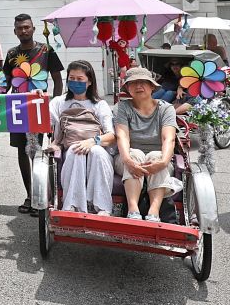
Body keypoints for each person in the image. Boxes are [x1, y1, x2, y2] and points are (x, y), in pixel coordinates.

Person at [1, 13, 63, 215]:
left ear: (33, 29)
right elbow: (5, 83)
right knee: (22, 151)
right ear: (15, 31)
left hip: (39, 107)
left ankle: (40, 197)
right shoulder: (11, 54)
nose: (23, 31)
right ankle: (30, 195)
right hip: (17, 108)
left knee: (36, 151)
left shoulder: (46, 50)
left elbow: (58, 80)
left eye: (27, 27)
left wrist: (54, 106)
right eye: (20, 28)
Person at [49, 60, 116, 215]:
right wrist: (38, 98)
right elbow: (44, 121)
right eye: (71, 78)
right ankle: (73, 205)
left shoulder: (99, 105)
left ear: (89, 81)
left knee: (97, 152)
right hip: (70, 146)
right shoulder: (59, 102)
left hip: (97, 145)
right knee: (76, 149)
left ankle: (102, 207)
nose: (75, 82)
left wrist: (93, 142)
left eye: (80, 79)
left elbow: (111, 135)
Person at [114, 68, 180, 221]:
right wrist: (128, 160)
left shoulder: (166, 108)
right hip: (127, 159)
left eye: (143, 82)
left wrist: (163, 162)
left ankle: (154, 211)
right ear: (128, 88)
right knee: (135, 154)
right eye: (133, 83)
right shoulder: (123, 107)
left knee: (156, 156)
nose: (138, 86)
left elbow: (168, 138)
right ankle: (133, 209)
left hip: (158, 159)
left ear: (152, 86)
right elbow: (122, 136)